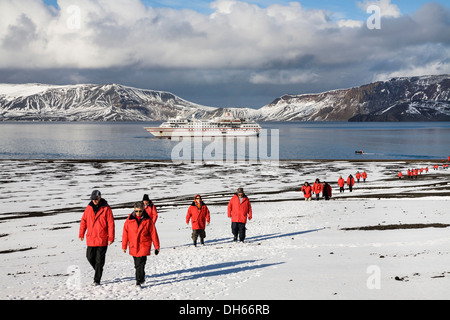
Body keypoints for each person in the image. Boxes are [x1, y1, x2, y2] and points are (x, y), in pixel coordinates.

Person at [79, 190, 115, 286]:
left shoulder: (106, 208)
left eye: (96, 199)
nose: (94, 200)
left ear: (100, 197)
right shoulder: (89, 207)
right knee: (89, 256)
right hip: (91, 238)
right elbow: (84, 221)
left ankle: (97, 280)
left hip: (102, 238)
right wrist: (81, 233)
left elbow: (111, 223)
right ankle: (99, 270)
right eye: (93, 199)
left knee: (99, 260)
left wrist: (111, 237)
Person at [122, 202, 160, 287]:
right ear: (134, 210)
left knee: (141, 263)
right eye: (136, 211)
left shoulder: (148, 220)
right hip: (133, 245)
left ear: (143, 210)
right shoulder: (129, 220)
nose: (138, 213)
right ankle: (141, 277)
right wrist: (124, 246)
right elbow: (125, 233)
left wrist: (157, 246)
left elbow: (153, 234)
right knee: (137, 264)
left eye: (140, 211)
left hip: (144, 245)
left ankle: (138, 281)